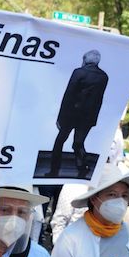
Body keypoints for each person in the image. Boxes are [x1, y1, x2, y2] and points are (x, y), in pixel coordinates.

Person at [46, 49, 109, 178]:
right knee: (78, 143)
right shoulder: (104, 77)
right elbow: (98, 99)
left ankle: (54, 169)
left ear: (85, 60)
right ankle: (83, 167)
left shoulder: (79, 72)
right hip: (87, 118)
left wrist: (60, 117)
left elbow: (68, 95)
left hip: (71, 115)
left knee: (60, 141)